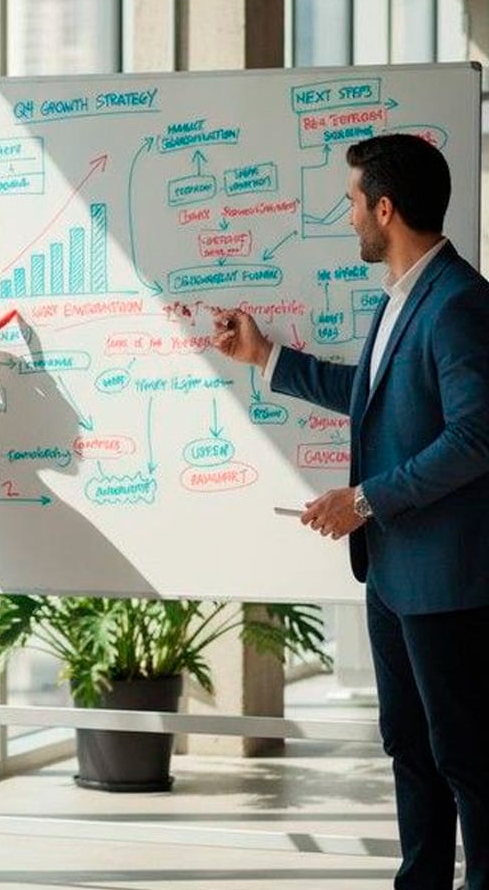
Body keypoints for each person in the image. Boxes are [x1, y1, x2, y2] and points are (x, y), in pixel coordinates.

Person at [212, 133, 489, 890]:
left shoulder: (461, 303)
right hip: (397, 578)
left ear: (386, 208)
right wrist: (265, 358)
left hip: (449, 582)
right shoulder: (401, 298)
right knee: (409, 747)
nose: (349, 216)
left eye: (353, 202)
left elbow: (475, 438)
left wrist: (364, 498)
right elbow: (369, 400)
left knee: (466, 756)